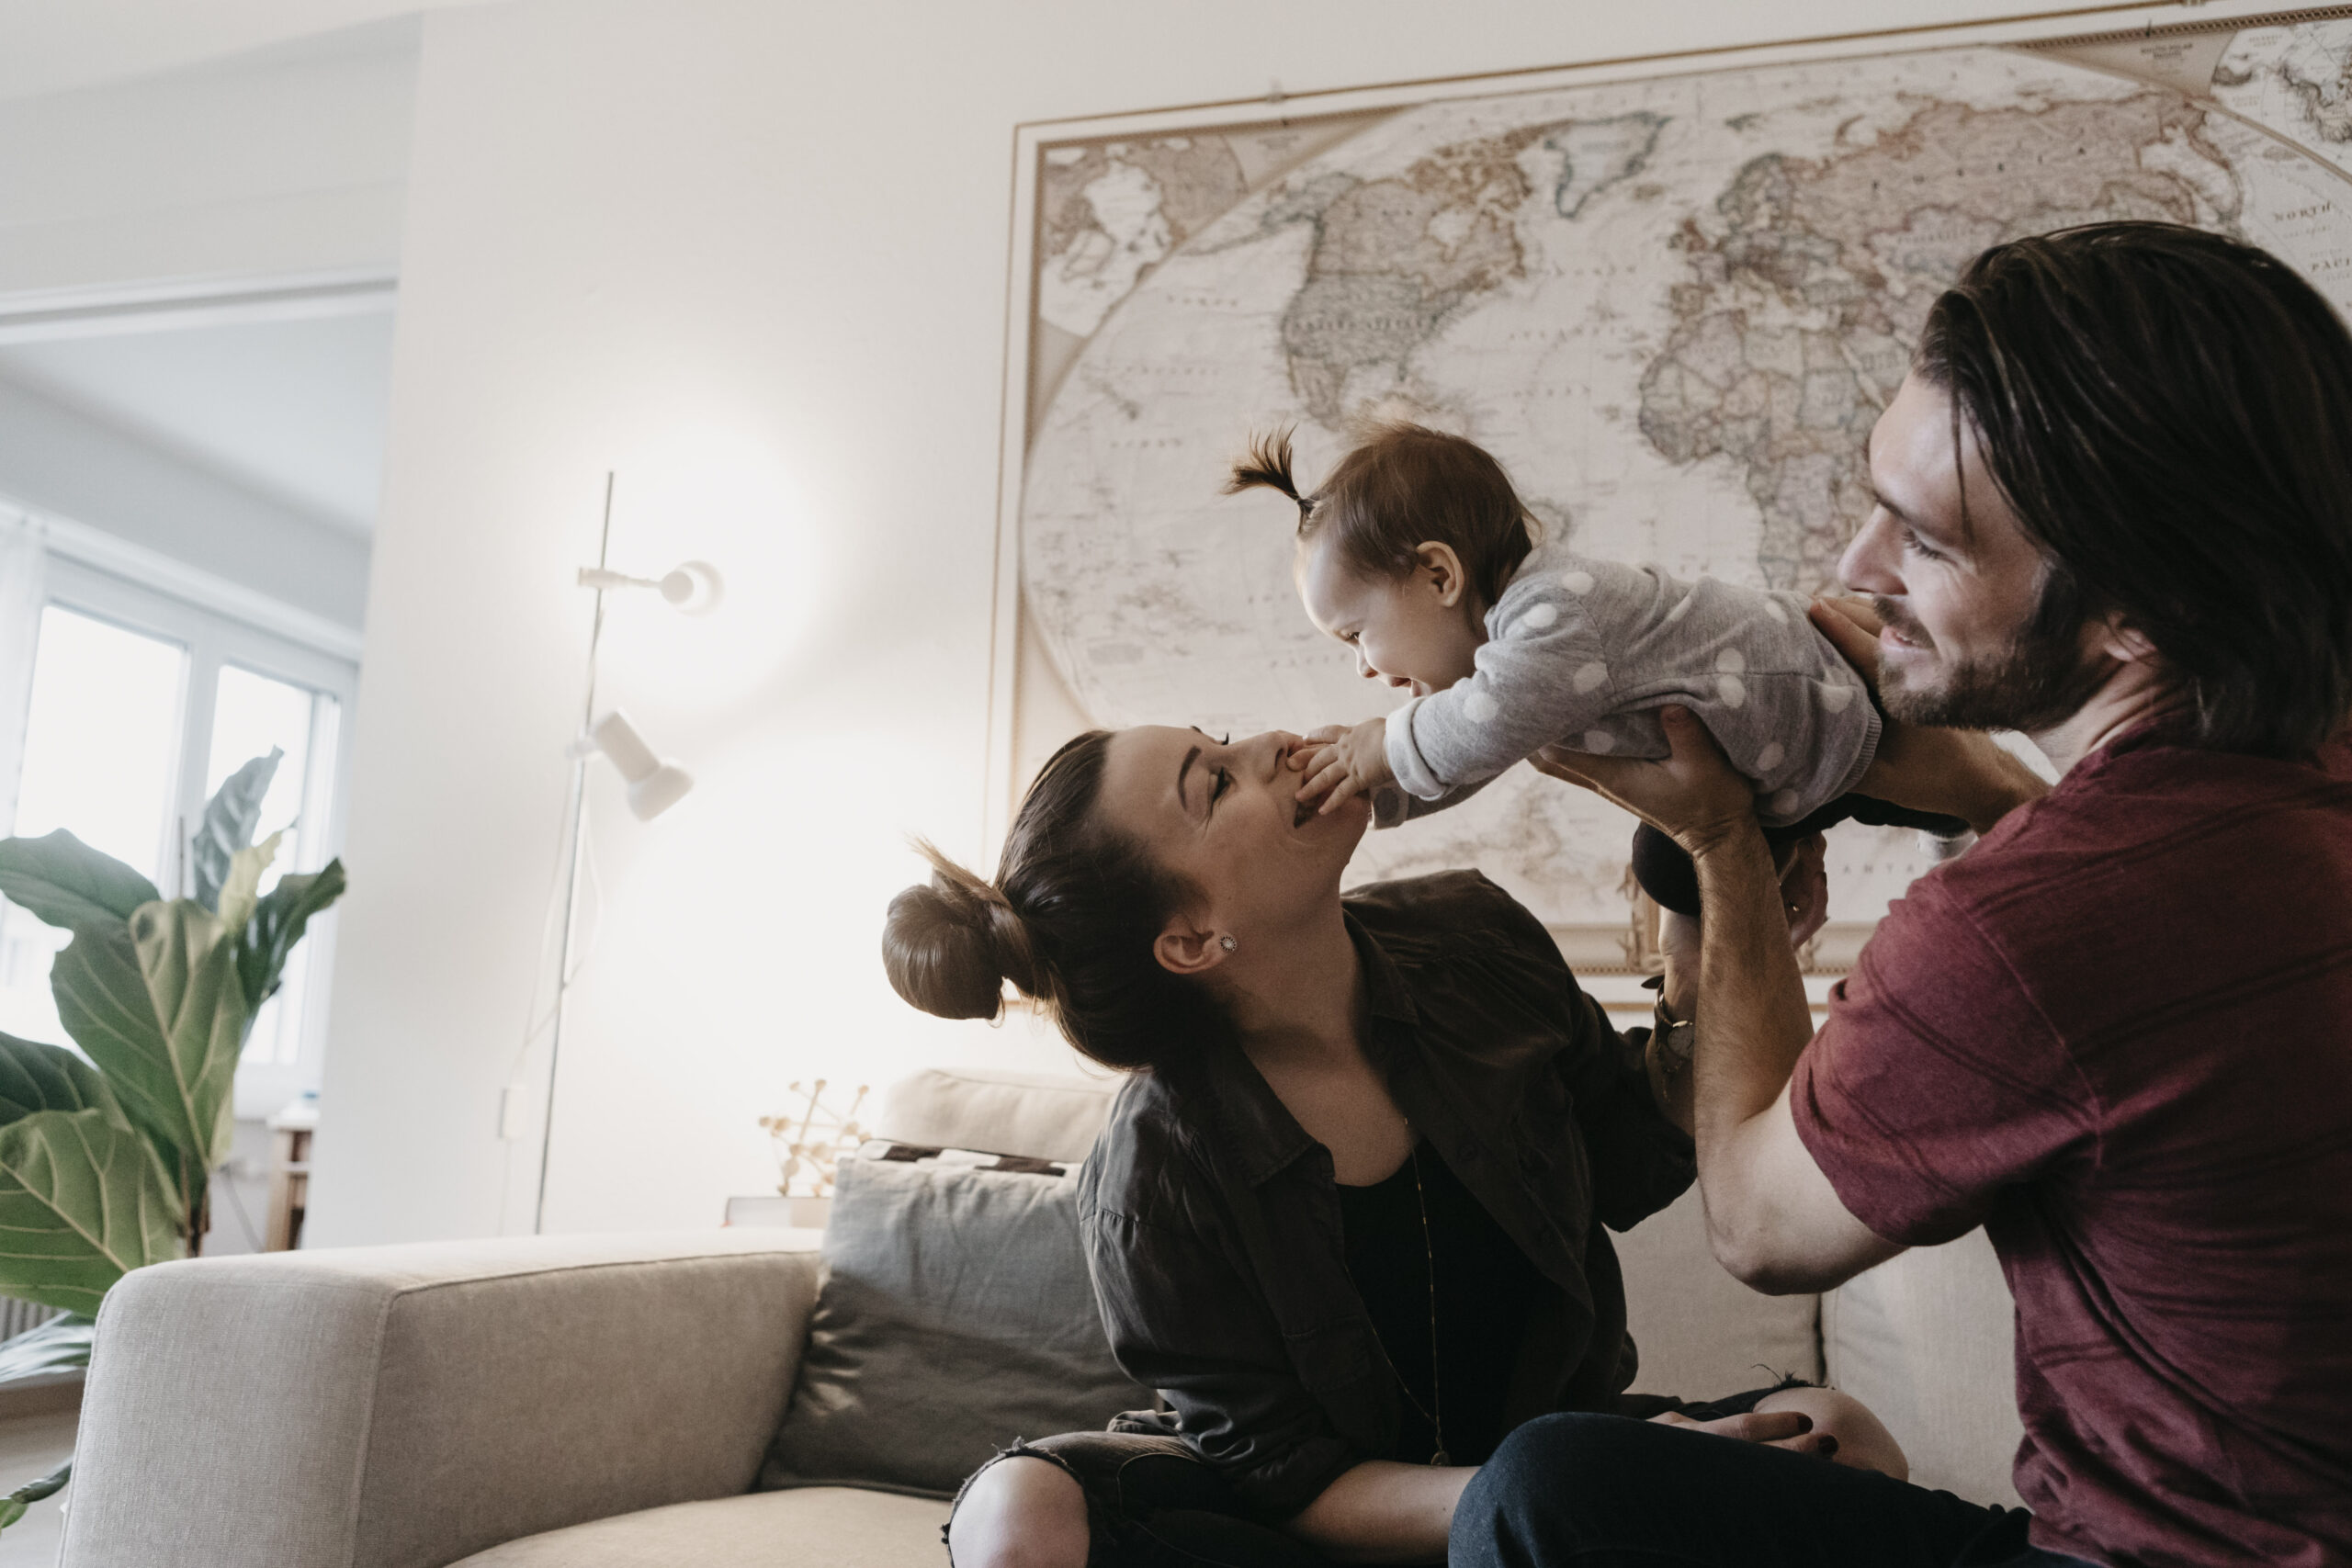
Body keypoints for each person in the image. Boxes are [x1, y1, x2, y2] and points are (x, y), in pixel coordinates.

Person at [1461, 221, 2352, 1566]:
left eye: (1926, 541)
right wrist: (2003, 791)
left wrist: (1721, 847)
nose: (1860, 565)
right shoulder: (2282, 800)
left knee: (1543, 1493)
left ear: (2136, 614)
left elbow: (1761, 1225)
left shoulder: (2024, 928)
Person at [883, 723, 1903, 1568]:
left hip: (1540, 1457)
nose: (1276, 746)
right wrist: (1572, 1486)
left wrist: (1707, 926)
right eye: (1217, 782)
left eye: (1225, 739)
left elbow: (1638, 1146)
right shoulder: (1152, 1179)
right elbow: (1288, 1482)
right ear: (1190, 940)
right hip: (1307, 1527)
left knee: (1837, 1440)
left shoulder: (1470, 936)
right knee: (1017, 1517)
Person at [1229, 423, 1958, 917]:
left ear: (1438, 574)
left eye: (1357, 633)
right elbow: (1481, 746)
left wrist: (1383, 749)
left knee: (1932, 787)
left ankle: (1954, 823)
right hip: (1777, 761)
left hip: (1826, 713)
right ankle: (1924, 822)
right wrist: (1372, 792)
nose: (1361, 667)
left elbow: (1478, 732)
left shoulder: (1555, 615)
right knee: (1667, 870)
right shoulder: (1513, 671)